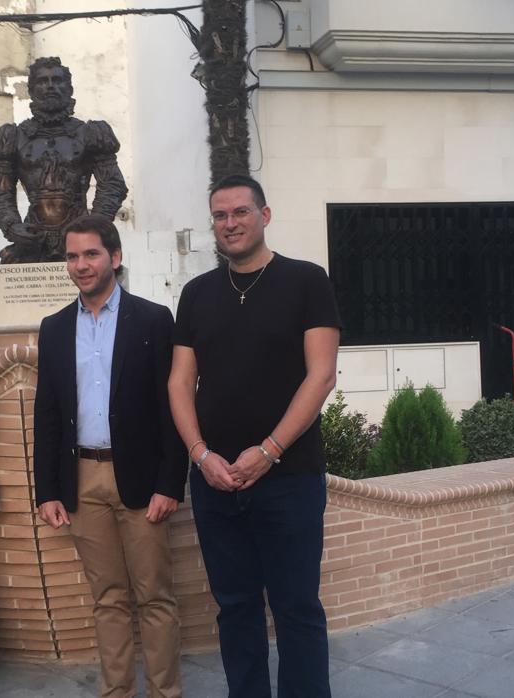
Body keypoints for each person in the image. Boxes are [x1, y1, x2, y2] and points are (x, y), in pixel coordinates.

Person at [168, 175, 341, 697]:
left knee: (296, 609)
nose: (230, 223)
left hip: (290, 479)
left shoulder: (307, 281)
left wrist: (268, 451)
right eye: (220, 216)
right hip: (217, 484)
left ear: (264, 216)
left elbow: (322, 375)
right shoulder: (197, 294)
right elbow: (179, 381)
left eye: (241, 212)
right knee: (236, 607)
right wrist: (200, 456)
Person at [33, 214, 186, 698]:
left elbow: (172, 407)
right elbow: (49, 413)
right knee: (108, 598)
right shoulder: (54, 327)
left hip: (140, 480)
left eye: (91, 254)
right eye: (73, 256)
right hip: (82, 479)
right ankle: (115, 691)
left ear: (114, 258)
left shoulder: (153, 319)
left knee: (155, 597)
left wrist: (170, 483)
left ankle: (166, 693)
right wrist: (48, 490)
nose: (80, 264)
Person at [0, 56, 129, 264]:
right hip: (32, 238)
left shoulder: (90, 133)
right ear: (32, 90)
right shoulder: (14, 137)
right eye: (43, 81)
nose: (50, 86)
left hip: (80, 234)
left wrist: (93, 227)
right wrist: (12, 226)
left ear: (69, 89)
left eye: (57, 80)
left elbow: (112, 185)